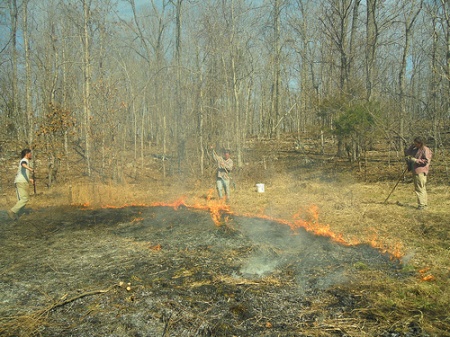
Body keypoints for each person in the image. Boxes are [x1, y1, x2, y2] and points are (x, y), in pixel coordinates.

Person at [404, 137, 432, 210]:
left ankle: (422, 205)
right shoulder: (416, 149)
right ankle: (423, 204)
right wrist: (411, 147)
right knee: (421, 187)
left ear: (420, 143)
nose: (415, 144)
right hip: (415, 170)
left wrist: (415, 160)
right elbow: (407, 153)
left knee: (420, 188)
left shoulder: (425, 150)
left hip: (420, 171)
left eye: (416, 143)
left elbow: (426, 161)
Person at [7, 149, 34, 220]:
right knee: (25, 198)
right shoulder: (24, 160)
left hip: (20, 181)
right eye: (30, 153)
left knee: (21, 200)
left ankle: (18, 217)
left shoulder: (25, 160)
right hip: (21, 182)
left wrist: (29, 179)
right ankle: (12, 211)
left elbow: (22, 173)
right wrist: (30, 169)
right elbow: (23, 164)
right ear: (27, 154)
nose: (31, 155)